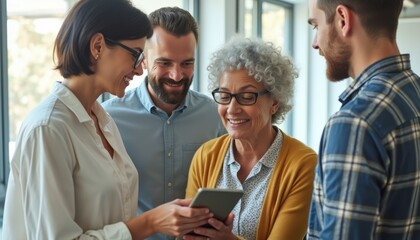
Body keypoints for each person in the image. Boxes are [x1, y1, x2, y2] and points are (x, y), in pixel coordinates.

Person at [2, 0, 213, 239]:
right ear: (98, 46)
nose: (139, 70)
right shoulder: (48, 128)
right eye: (135, 55)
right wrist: (150, 222)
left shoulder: (103, 121)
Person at [102, 7, 226, 239]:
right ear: (144, 60)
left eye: (187, 63)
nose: (177, 75)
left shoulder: (214, 115)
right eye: (165, 63)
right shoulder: (108, 119)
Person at [183, 37, 318, 240]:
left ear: (275, 102)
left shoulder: (302, 164)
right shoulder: (206, 155)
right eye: (225, 95)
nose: (232, 109)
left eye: (247, 97)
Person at [307, 0, 420, 239]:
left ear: (342, 20)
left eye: (315, 26)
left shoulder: (355, 123)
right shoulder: (414, 93)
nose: (315, 43)